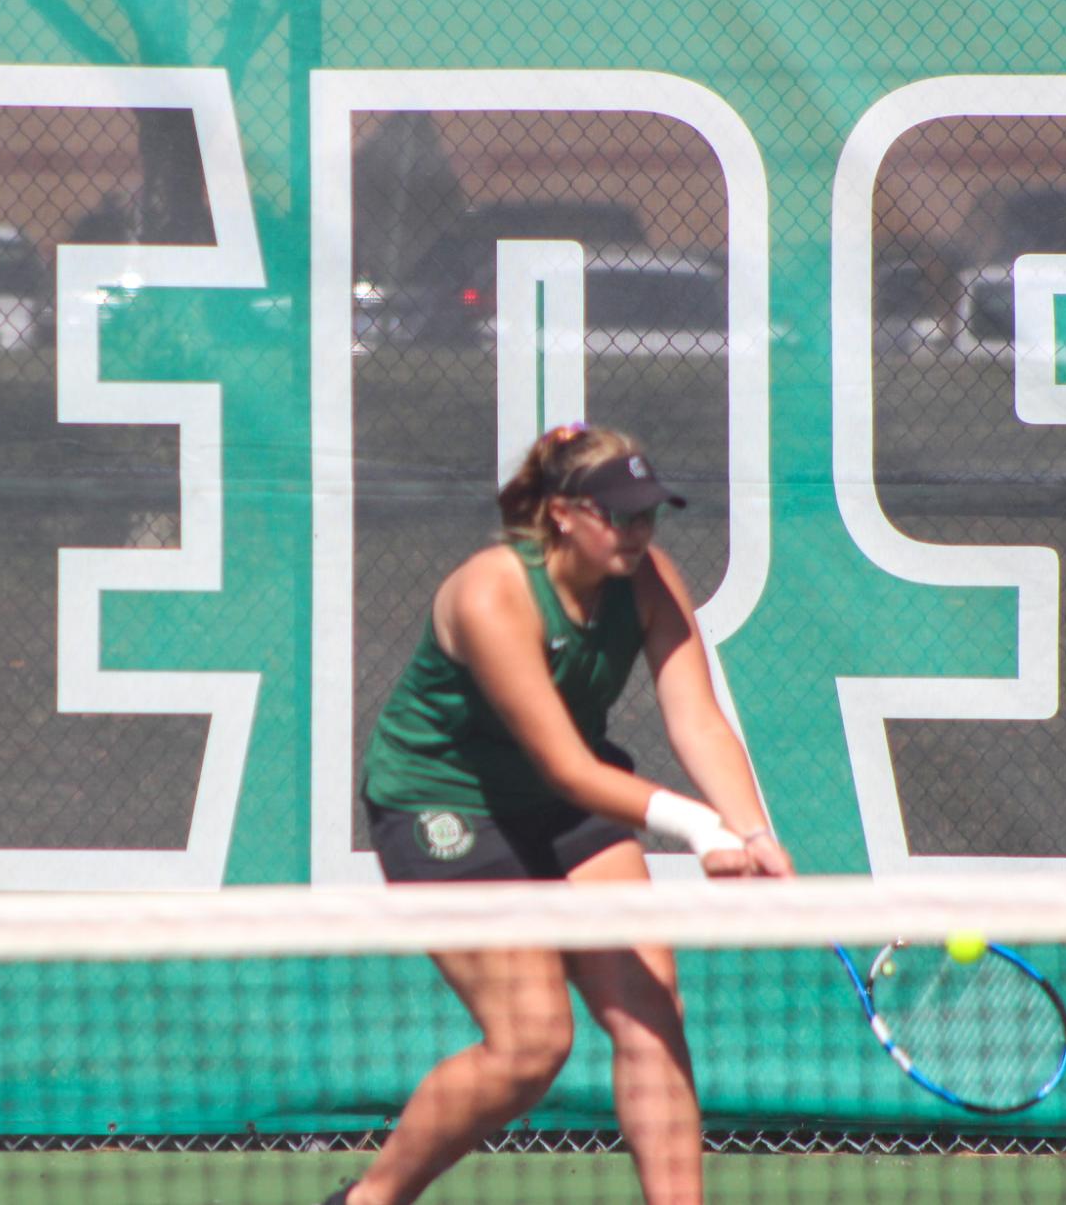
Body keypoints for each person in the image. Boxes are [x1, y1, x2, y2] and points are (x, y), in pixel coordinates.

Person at [325, 423, 792, 1205]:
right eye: (622, 515)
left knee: (650, 1009)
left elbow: (696, 717)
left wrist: (752, 830)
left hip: (565, 806)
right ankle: (369, 1201)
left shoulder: (647, 579)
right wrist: (699, 828)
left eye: (649, 514)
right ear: (564, 514)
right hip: (445, 803)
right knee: (531, 1044)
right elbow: (563, 764)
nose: (639, 532)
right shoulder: (490, 592)